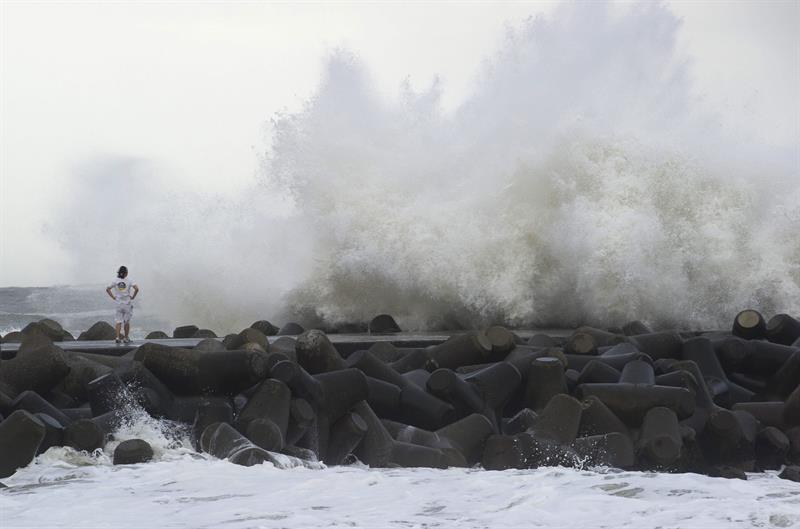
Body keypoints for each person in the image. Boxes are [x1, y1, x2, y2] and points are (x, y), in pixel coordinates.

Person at [105, 266, 139, 344]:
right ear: (126, 273)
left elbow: (107, 289)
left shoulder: (115, 280)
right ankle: (126, 338)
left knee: (118, 321)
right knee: (126, 322)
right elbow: (137, 289)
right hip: (127, 304)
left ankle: (117, 337)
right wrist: (133, 296)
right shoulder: (130, 280)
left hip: (118, 304)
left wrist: (113, 297)